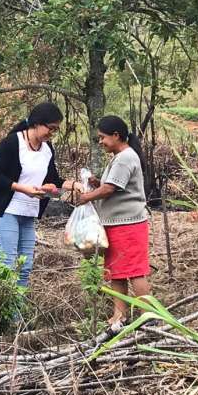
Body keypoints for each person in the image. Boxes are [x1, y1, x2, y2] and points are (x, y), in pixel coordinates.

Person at [0, 102, 83, 288]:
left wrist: (74, 185)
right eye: (50, 128)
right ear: (37, 123)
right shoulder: (12, 143)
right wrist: (24, 189)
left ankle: (17, 314)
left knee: (25, 266)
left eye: (55, 130)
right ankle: (3, 313)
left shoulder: (47, 149)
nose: (51, 133)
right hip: (6, 211)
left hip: (28, 213)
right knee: (7, 264)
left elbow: (53, 178)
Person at [77, 115, 150, 330]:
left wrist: (87, 197)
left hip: (129, 224)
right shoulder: (118, 157)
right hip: (117, 223)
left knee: (135, 271)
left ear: (116, 135)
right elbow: (113, 185)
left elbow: (111, 189)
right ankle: (120, 316)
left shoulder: (126, 157)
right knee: (116, 271)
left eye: (102, 137)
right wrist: (97, 183)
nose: (100, 142)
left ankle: (149, 315)